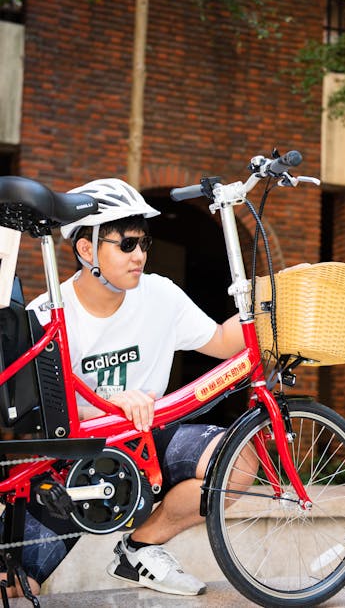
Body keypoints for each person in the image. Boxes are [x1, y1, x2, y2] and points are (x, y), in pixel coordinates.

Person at [1, 178, 249, 598]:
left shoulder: (160, 295)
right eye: (127, 244)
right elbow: (41, 415)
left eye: (144, 243)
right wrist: (110, 405)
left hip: (148, 440)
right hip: (77, 457)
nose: (140, 255)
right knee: (14, 586)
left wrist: (263, 300)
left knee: (238, 463)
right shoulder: (46, 314)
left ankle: (139, 549)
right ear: (86, 250)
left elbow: (224, 342)